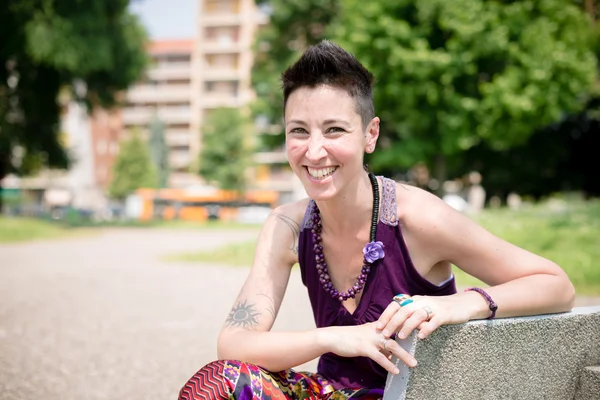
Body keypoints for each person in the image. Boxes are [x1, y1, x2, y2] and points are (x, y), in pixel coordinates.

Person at [179, 40, 574, 399]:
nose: (314, 151)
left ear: (370, 135)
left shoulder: (418, 217)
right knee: (218, 385)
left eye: (334, 130)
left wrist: (461, 304)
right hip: (332, 392)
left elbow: (555, 285)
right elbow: (234, 344)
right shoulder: (286, 227)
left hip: (417, 393)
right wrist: (336, 338)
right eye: (299, 131)